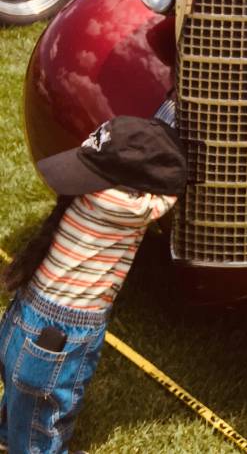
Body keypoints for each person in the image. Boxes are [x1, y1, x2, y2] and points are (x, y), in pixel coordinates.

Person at [0, 116, 185, 454]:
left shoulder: (88, 191)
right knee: (47, 407)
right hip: (66, 326)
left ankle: (8, 436)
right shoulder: (126, 204)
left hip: (28, 308)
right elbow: (170, 191)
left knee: (21, 391)